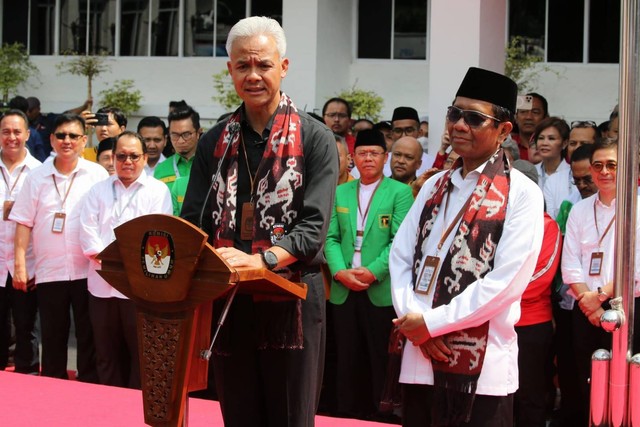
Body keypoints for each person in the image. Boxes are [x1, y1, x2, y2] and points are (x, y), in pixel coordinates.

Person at [180, 16, 338, 427]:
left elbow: (312, 231)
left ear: (283, 67)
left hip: (293, 296)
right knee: (239, 414)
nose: (253, 75)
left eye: (263, 65)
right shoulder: (215, 141)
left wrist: (263, 261)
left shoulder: (315, 137)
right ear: (229, 69)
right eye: (243, 66)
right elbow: (192, 222)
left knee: (290, 417)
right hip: (229, 298)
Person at [390, 67, 544, 427]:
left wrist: (431, 323)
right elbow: (400, 258)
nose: (459, 125)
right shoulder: (433, 186)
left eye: (474, 118)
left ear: (504, 130)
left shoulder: (522, 193)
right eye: (454, 114)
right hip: (419, 357)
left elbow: (505, 283)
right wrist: (415, 322)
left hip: (483, 368)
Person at [10, 113, 108, 382]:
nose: (67, 141)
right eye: (61, 135)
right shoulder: (37, 176)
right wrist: (20, 265)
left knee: (88, 334)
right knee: (53, 335)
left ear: (83, 140)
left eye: (73, 136)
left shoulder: (97, 174)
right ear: (51, 139)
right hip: (49, 269)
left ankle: (89, 385)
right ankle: (53, 388)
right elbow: (23, 222)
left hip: (87, 269)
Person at [325, 129, 413, 420]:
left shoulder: (399, 193)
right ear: (353, 158)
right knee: (346, 357)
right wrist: (339, 271)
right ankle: (345, 413)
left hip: (380, 287)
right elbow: (330, 237)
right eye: (362, 153)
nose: (368, 159)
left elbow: (399, 241)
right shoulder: (340, 191)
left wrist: (372, 272)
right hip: (344, 286)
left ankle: (380, 416)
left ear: (385, 158)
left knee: (379, 357)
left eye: (375, 153)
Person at [79, 131, 172, 388]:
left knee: (139, 355)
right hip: (101, 283)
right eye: (121, 156)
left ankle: (133, 408)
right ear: (113, 158)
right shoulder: (98, 190)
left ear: (144, 158)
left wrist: (126, 264)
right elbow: (87, 232)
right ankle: (107, 404)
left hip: (137, 286)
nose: (127, 161)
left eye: (133, 156)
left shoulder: (157, 190)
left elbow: (157, 237)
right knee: (106, 353)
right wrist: (109, 261)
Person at [561, 138, 640, 426]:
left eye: (611, 165)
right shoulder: (580, 210)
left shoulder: (637, 206)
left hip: (628, 307)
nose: (604, 171)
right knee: (588, 379)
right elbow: (570, 264)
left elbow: (636, 267)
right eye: (598, 166)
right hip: (586, 312)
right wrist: (589, 302)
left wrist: (600, 297)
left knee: (628, 381)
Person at [511, 160, 562, 427]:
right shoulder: (499, 221)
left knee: (530, 394)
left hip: (530, 323)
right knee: (501, 395)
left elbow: (541, 278)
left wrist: (497, 294)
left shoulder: (547, 225)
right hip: (497, 321)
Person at [0, 110, 41, 375]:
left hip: (27, 262)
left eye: (17, 132)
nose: (12, 137)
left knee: (26, 328)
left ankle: (27, 379)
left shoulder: (39, 172)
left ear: (27, 134)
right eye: (6, 131)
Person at [154, 106, 202, 216]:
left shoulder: (208, 165)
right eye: (174, 135)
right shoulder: (161, 169)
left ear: (198, 133)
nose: (180, 141)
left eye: (186, 135)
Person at [531, 117, 570, 191]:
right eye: (541, 138)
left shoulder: (571, 174)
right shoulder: (531, 172)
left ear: (564, 143)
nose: (544, 143)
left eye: (551, 138)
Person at [513, 93, 549, 160]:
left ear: (545, 118)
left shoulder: (553, 147)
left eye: (535, 112)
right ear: (516, 117)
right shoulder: (505, 146)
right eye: (523, 112)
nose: (528, 117)